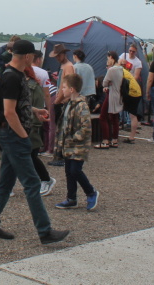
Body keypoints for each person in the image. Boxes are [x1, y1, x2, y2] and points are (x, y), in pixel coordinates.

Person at [0, 39, 70, 245]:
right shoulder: (12, 77)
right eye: (34, 56)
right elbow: (8, 112)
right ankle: (45, 231)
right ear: (28, 56)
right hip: (14, 136)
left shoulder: (13, 75)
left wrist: (34, 110)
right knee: (31, 183)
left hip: (10, 135)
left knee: (5, 183)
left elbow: (14, 105)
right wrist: (23, 135)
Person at [54, 73, 99, 210]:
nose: (62, 90)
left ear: (72, 89)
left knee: (75, 170)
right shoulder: (68, 104)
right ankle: (71, 198)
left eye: (64, 87)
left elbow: (86, 126)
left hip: (78, 146)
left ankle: (91, 192)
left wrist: (73, 138)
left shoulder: (81, 105)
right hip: (68, 145)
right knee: (69, 170)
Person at [25, 65, 56, 197]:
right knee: (25, 156)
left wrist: (44, 114)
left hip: (31, 124)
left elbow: (31, 104)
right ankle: (40, 180)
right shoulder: (28, 85)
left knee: (31, 156)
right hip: (29, 123)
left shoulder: (33, 86)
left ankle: (46, 179)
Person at [99, 53, 124, 148]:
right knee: (115, 118)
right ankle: (115, 140)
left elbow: (104, 82)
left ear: (112, 58)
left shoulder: (111, 70)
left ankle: (106, 140)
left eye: (108, 59)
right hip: (118, 94)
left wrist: (107, 84)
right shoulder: (121, 69)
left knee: (103, 116)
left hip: (111, 95)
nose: (107, 61)